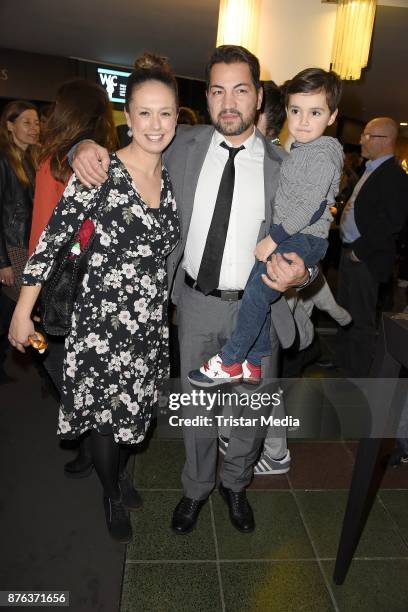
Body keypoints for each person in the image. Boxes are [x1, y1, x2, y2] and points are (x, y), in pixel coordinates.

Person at [70, 45, 313, 535]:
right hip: (197, 304)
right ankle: (196, 488)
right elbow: (127, 146)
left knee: (247, 414)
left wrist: (301, 275)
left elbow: (310, 247)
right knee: (197, 409)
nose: (229, 102)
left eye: (240, 90)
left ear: (258, 97)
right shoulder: (183, 144)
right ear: (207, 98)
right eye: (218, 90)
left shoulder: (288, 169)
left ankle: (236, 485)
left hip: (258, 308)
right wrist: (80, 149)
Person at [8, 53, 180, 543]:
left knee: (133, 417)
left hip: (147, 323)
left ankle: (121, 475)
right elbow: (51, 242)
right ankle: (110, 490)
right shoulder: (100, 171)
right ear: (128, 116)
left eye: (165, 113)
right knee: (105, 421)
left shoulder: (168, 179)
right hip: (102, 322)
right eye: (144, 112)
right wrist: (23, 312)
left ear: (175, 119)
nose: (155, 124)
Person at [188, 67, 343, 388]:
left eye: (315, 112)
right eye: (296, 111)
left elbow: (312, 208)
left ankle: (231, 360)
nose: (302, 121)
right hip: (198, 300)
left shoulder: (322, 153)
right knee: (256, 295)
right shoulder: (296, 152)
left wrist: (275, 239)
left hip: (298, 240)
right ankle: (252, 362)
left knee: (256, 295)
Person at [28, 79, 118, 478]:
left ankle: (90, 445)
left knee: (64, 371)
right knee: (94, 377)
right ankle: (93, 451)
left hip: (62, 292)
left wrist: (28, 298)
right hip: (103, 292)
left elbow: (41, 235)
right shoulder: (112, 160)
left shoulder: (54, 164)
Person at [337, 117, 408, 377]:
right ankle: (343, 362)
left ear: (386, 140)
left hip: (365, 257)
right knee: (345, 312)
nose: (360, 140)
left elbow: (392, 221)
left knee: (360, 318)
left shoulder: (394, 175)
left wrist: (360, 250)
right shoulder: (372, 168)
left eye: (367, 135)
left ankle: (356, 373)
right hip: (351, 250)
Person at [0, 100, 39, 381]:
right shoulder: (3, 160)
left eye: (37, 122)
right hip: (12, 248)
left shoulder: (32, 159)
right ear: (10, 126)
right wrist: (2, 261)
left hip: (29, 246)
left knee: (24, 307)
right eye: (26, 122)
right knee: (12, 310)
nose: (34, 128)